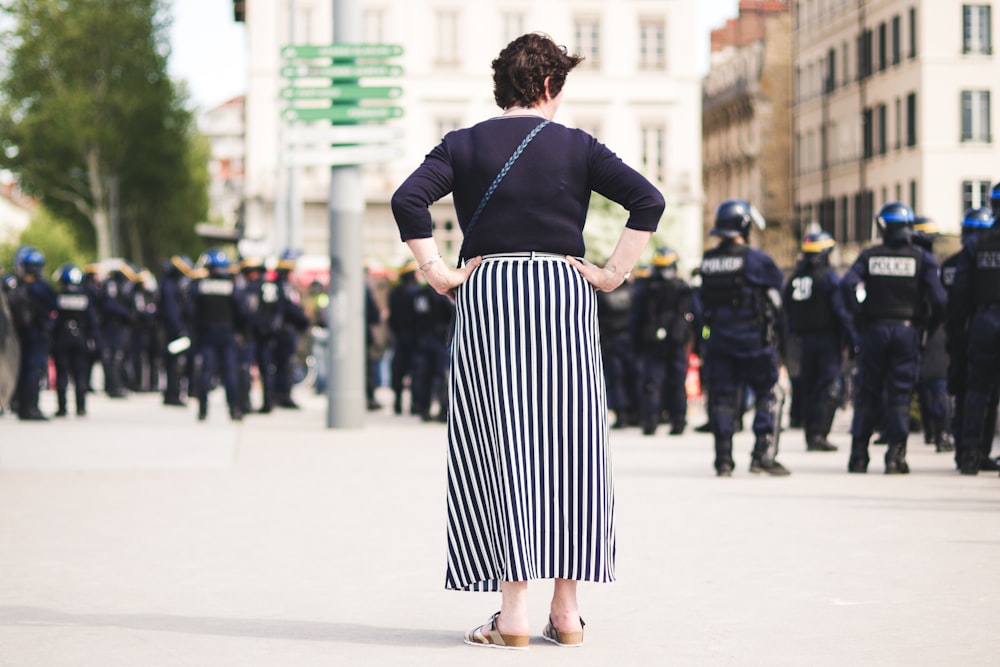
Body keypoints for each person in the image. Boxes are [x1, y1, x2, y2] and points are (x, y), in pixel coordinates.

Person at [390, 33, 663, 649]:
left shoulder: (462, 144)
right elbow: (648, 200)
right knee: (572, 445)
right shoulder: (579, 147)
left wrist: (437, 271)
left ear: (502, 86)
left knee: (499, 443)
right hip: (564, 289)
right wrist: (613, 271)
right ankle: (565, 614)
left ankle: (511, 615)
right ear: (549, 87)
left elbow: (408, 199)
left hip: (489, 289)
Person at [841, 202, 946, 474]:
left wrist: (860, 316)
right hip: (907, 331)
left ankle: (858, 456)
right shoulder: (921, 258)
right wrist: (926, 327)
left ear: (883, 226)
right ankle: (895, 457)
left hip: (875, 330)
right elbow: (940, 300)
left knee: (867, 393)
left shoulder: (870, 255)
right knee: (900, 394)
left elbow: (847, 284)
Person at [694, 199, 789, 477]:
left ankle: (723, 460)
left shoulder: (708, 261)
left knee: (723, 398)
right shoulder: (757, 260)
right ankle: (763, 456)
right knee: (769, 393)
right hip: (753, 341)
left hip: (719, 340)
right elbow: (777, 300)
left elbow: (701, 306)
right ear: (745, 225)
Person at [782, 231, 856, 452]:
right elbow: (841, 311)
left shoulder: (795, 278)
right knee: (830, 386)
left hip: (802, 341)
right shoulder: (829, 278)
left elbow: (786, 308)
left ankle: (810, 433)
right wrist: (852, 339)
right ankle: (819, 435)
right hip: (827, 340)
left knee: (809, 386)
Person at [943, 206, 999, 472]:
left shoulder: (977, 244)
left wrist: (957, 330)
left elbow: (960, 291)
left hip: (983, 321)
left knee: (977, 391)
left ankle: (969, 456)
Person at [632, 247, 693, 436]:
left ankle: (650, 422)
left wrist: (637, 344)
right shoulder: (683, 288)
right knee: (676, 382)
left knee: (653, 382)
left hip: (654, 343)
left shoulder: (646, 288)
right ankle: (678, 422)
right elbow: (695, 317)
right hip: (675, 342)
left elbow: (635, 318)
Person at [186, 248, 245, 422]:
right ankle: (234, 409)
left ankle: (203, 411)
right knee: (229, 373)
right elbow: (241, 312)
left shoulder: (199, 285)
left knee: (205, 372)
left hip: (206, 334)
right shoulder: (231, 286)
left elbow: (190, 311)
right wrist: (239, 331)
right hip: (227, 334)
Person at [911, 217, 954, 454]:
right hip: (935, 326)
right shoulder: (942, 262)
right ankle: (940, 433)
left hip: (919, 325)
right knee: (936, 383)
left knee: (928, 383)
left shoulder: (919, 261)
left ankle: (934, 432)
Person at [10, 247, 57, 420]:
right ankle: (31, 408)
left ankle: (21, 407)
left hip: (18, 336)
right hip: (37, 335)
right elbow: (54, 306)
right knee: (34, 371)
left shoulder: (13, 285)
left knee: (22, 371)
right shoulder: (42, 287)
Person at [52, 264, 100, 417]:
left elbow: (53, 321)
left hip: (62, 339)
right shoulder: (85, 297)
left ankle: (62, 408)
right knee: (80, 374)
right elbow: (92, 321)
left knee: (62, 374)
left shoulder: (59, 297)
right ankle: (81, 407)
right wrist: (94, 340)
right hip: (80, 339)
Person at [160, 255, 193, 407]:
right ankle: (173, 394)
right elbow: (171, 312)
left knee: (174, 363)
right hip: (172, 331)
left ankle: (172, 393)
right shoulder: (169, 286)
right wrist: (180, 329)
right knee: (175, 363)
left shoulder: (170, 284)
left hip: (172, 329)